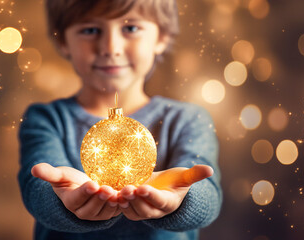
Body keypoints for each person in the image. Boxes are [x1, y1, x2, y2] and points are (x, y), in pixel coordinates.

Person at [18, 0, 222, 239]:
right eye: (90, 30)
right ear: (63, 41)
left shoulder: (188, 119)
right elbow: (37, 191)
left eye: (131, 28)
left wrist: (180, 200)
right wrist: (63, 200)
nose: (110, 47)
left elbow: (207, 193)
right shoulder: (46, 119)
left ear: (162, 37)